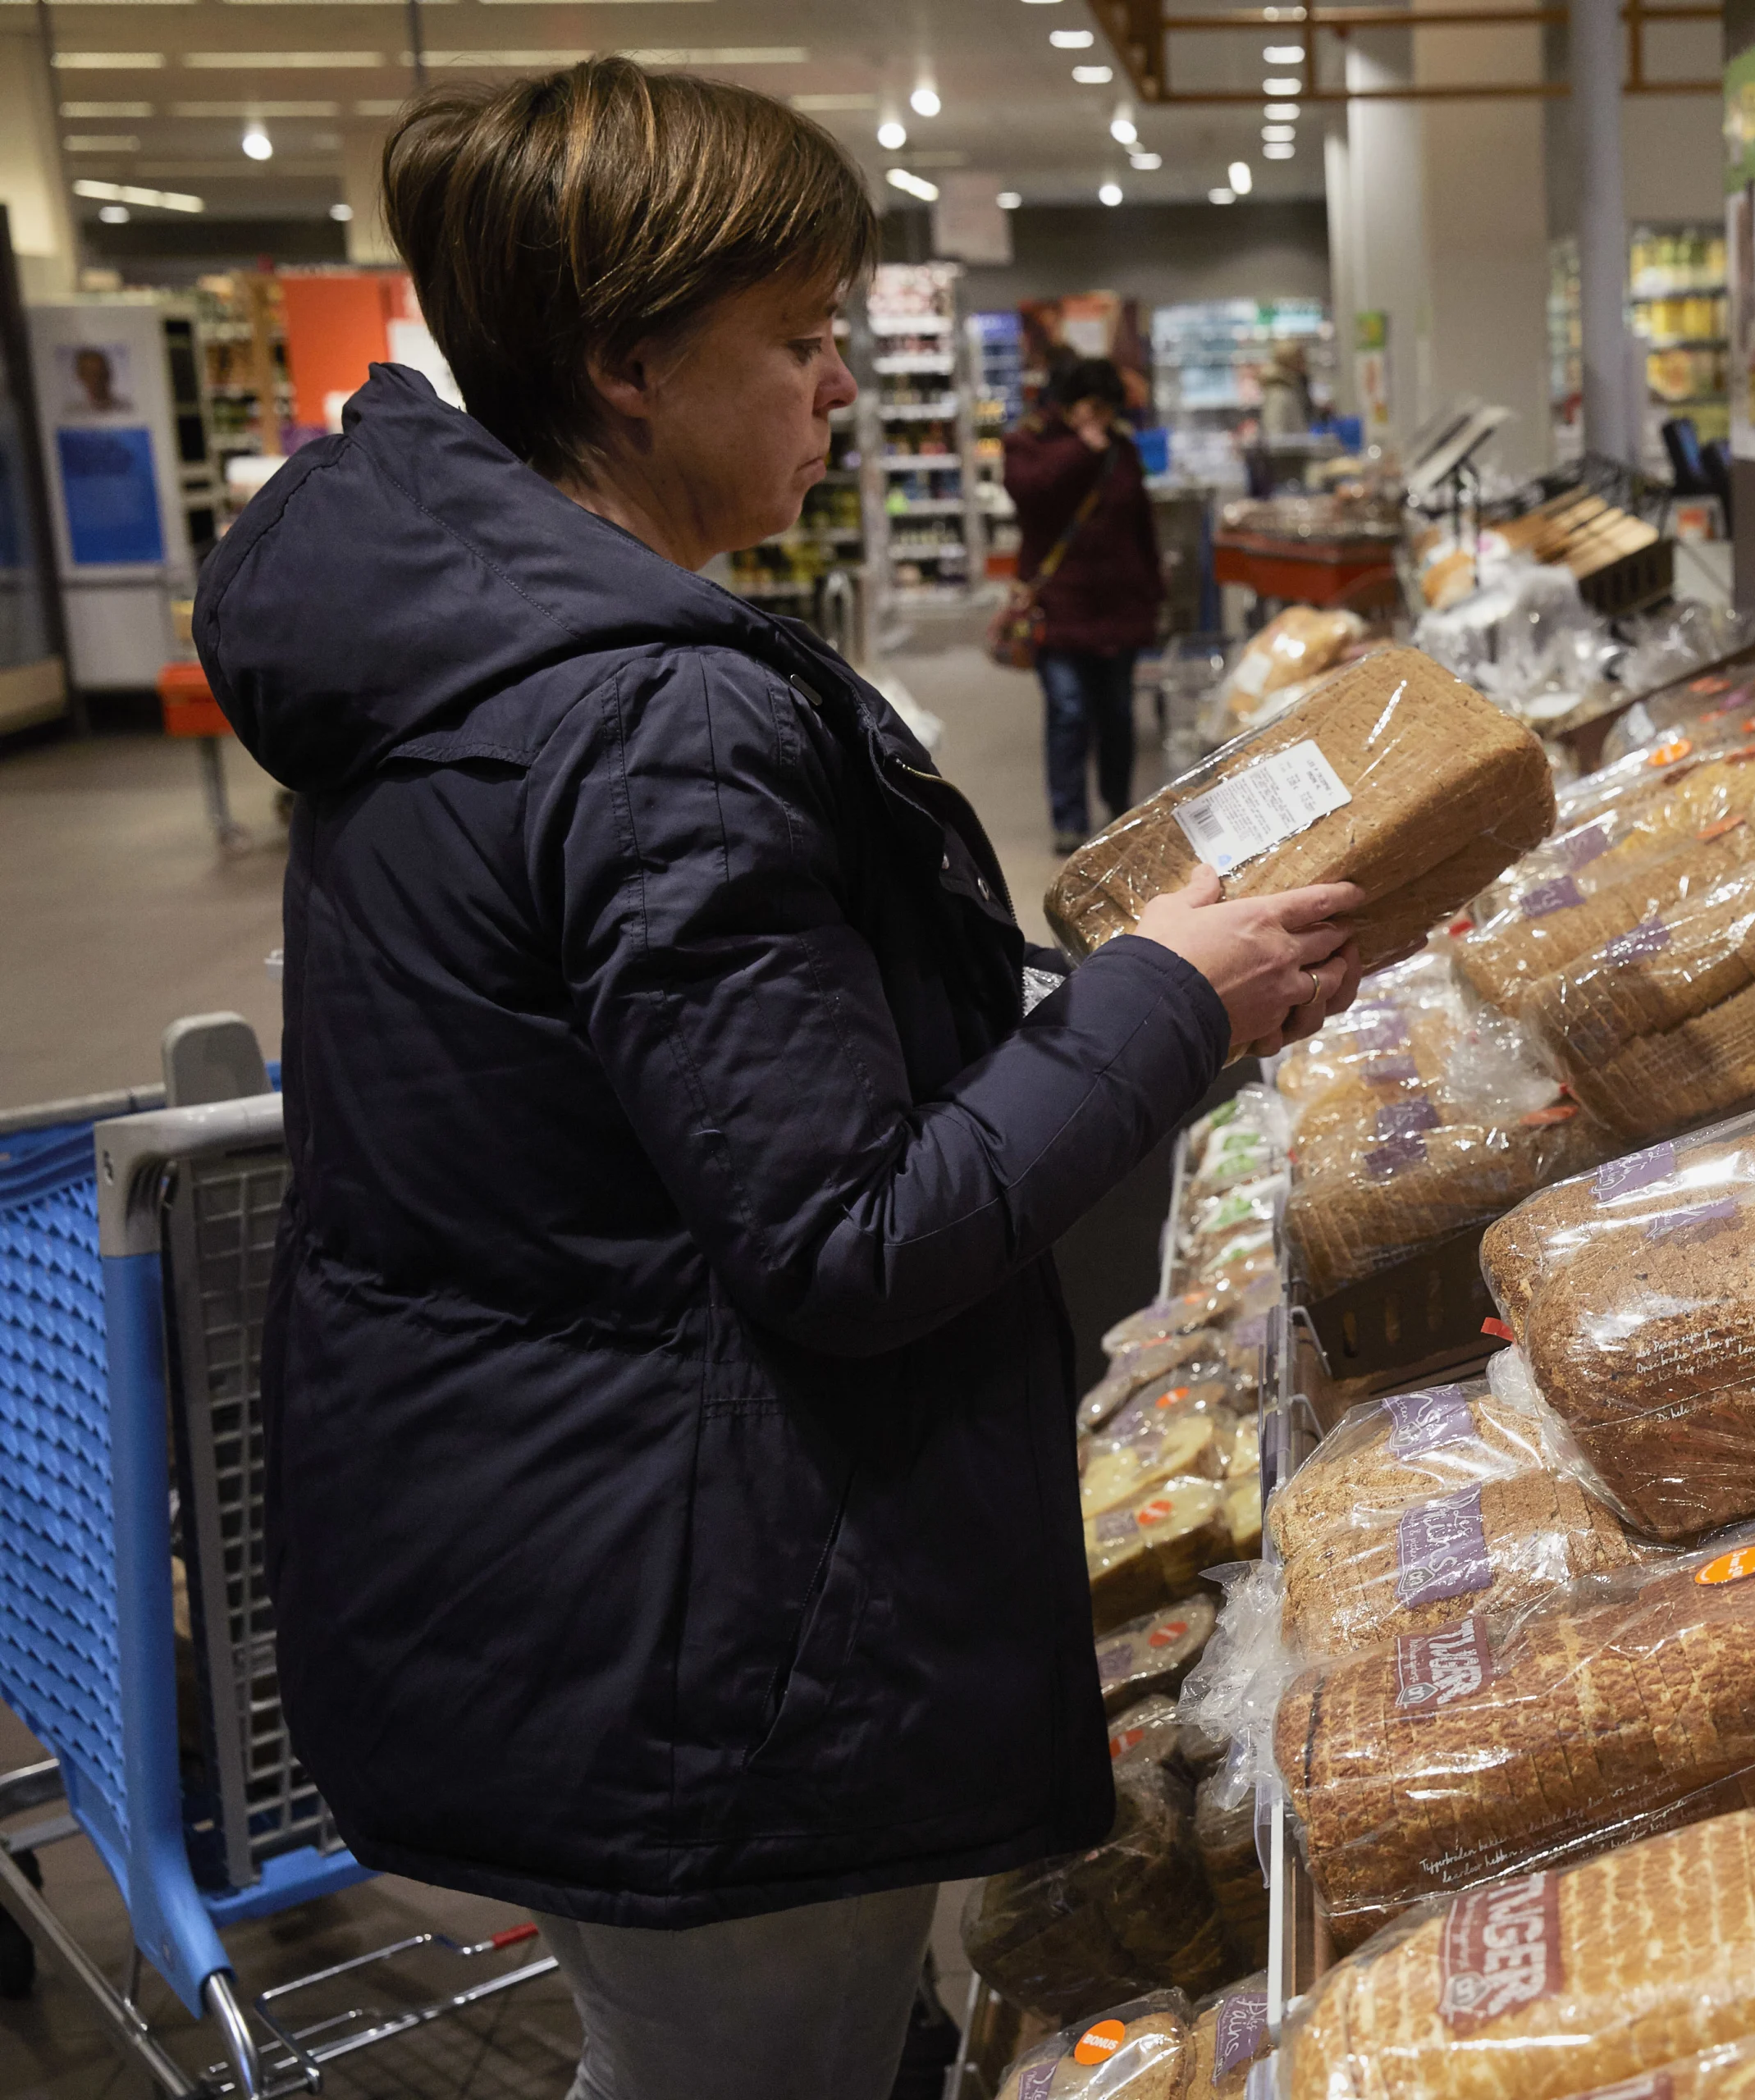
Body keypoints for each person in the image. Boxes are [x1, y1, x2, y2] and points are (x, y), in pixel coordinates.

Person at [191, 57, 1364, 2100]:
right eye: (803, 341)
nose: (842, 387)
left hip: (562, 1562)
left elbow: (695, 1114)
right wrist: (1171, 1000)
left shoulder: (467, 656)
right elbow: (845, 1230)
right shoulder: (646, 722)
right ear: (631, 364)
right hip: (708, 1632)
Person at [1003, 359, 1160, 854]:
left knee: (1117, 714)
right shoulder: (1028, 446)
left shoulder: (1122, 452)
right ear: (1067, 405)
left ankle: (1118, 809)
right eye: (1092, 405)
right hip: (1059, 607)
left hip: (1118, 607)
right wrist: (1079, 451)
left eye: (1108, 407)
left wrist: (1154, 594)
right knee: (1069, 712)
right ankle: (1069, 819)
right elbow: (1029, 496)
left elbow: (1142, 527)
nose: (1100, 416)